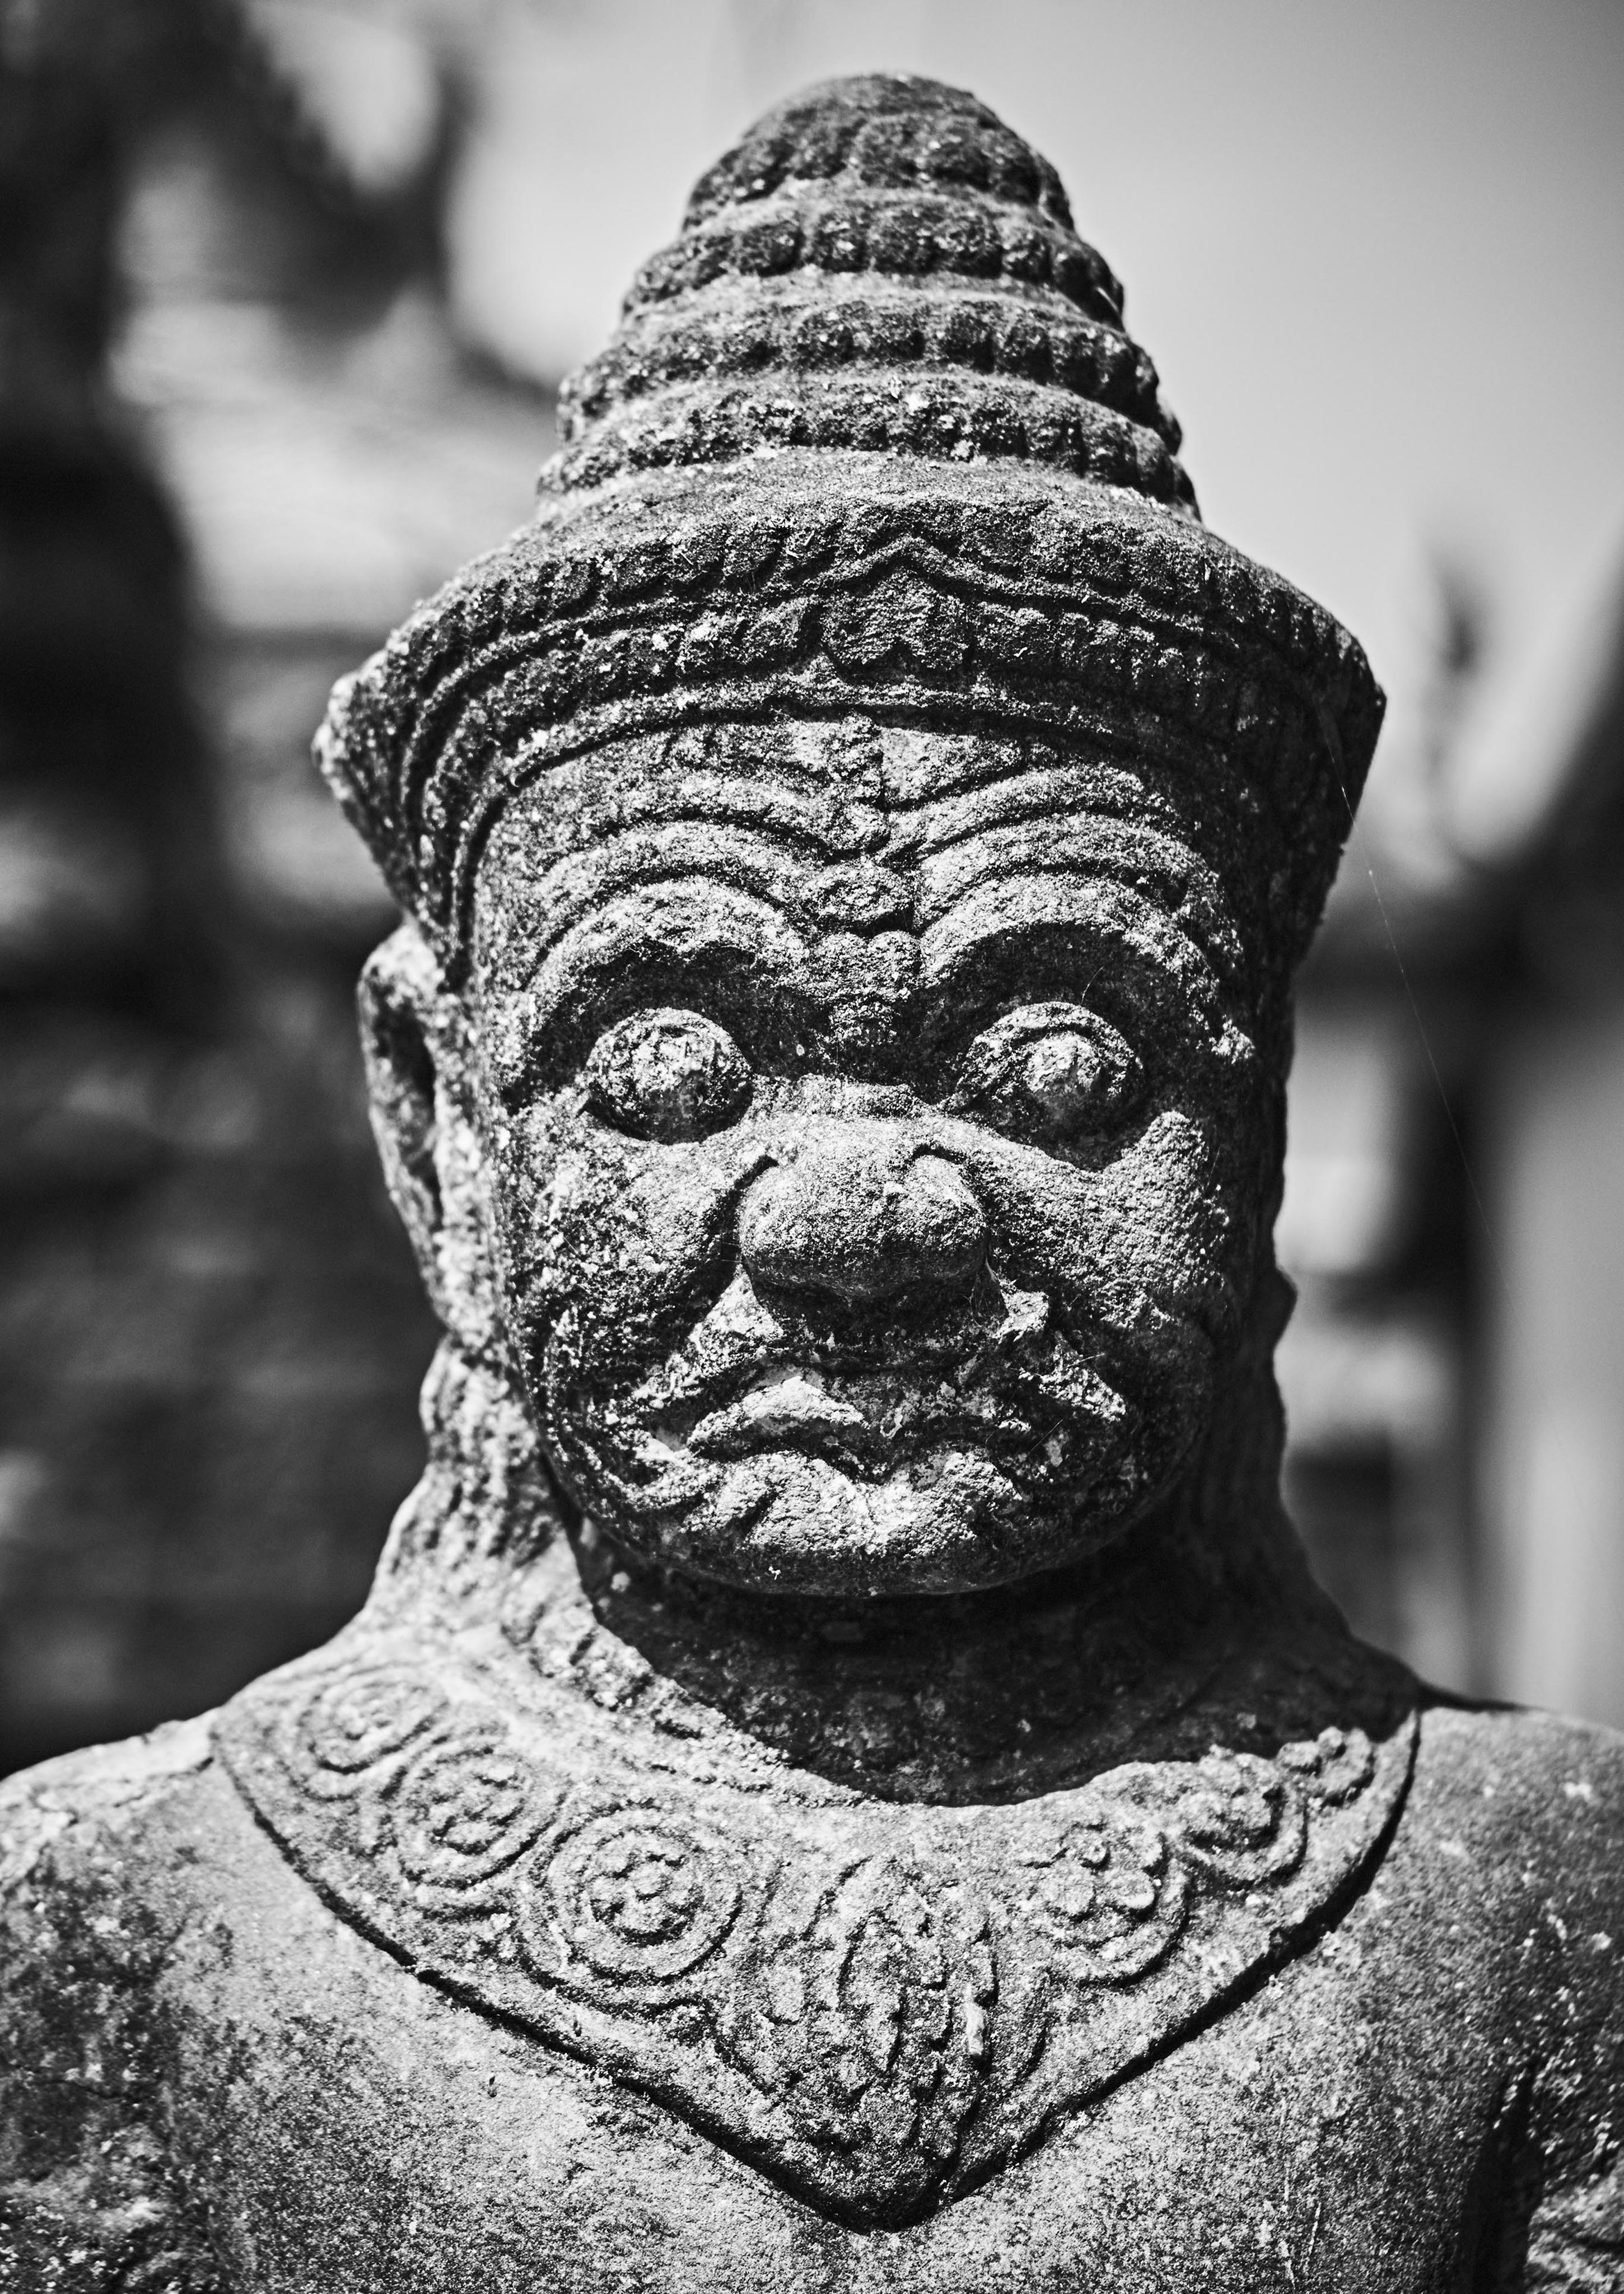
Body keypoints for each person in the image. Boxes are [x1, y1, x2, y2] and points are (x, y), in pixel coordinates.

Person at [3, 74, 1620, 2293]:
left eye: (1060, 1065)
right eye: (668, 1067)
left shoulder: (1538, 1906)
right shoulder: (114, 1925)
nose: (859, 1220)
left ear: (1250, 1128)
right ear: (441, 1130)